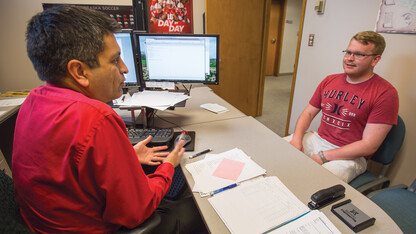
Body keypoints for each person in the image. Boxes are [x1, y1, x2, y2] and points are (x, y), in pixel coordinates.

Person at [12, 6, 204, 233]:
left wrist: (127, 157)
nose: (124, 68)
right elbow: (135, 212)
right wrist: (168, 167)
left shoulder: (33, 101)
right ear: (79, 72)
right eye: (114, 60)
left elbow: (66, 171)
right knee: (198, 208)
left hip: (46, 226)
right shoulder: (96, 118)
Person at [286, 31, 399, 183]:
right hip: (317, 139)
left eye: (359, 54)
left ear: (375, 60)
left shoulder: (385, 93)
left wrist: (323, 156)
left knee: (311, 182)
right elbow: (308, 113)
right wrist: (297, 139)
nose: (349, 59)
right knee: (278, 153)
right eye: (348, 52)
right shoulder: (330, 80)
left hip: (349, 156)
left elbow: (369, 145)